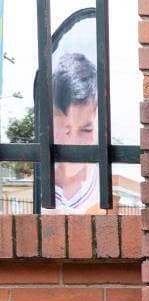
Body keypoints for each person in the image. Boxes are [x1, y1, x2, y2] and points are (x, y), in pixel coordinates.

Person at [44, 53, 101, 215]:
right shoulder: (39, 187)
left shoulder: (103, 186)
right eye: (65, 129)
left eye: (86, 130)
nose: (73, 142)